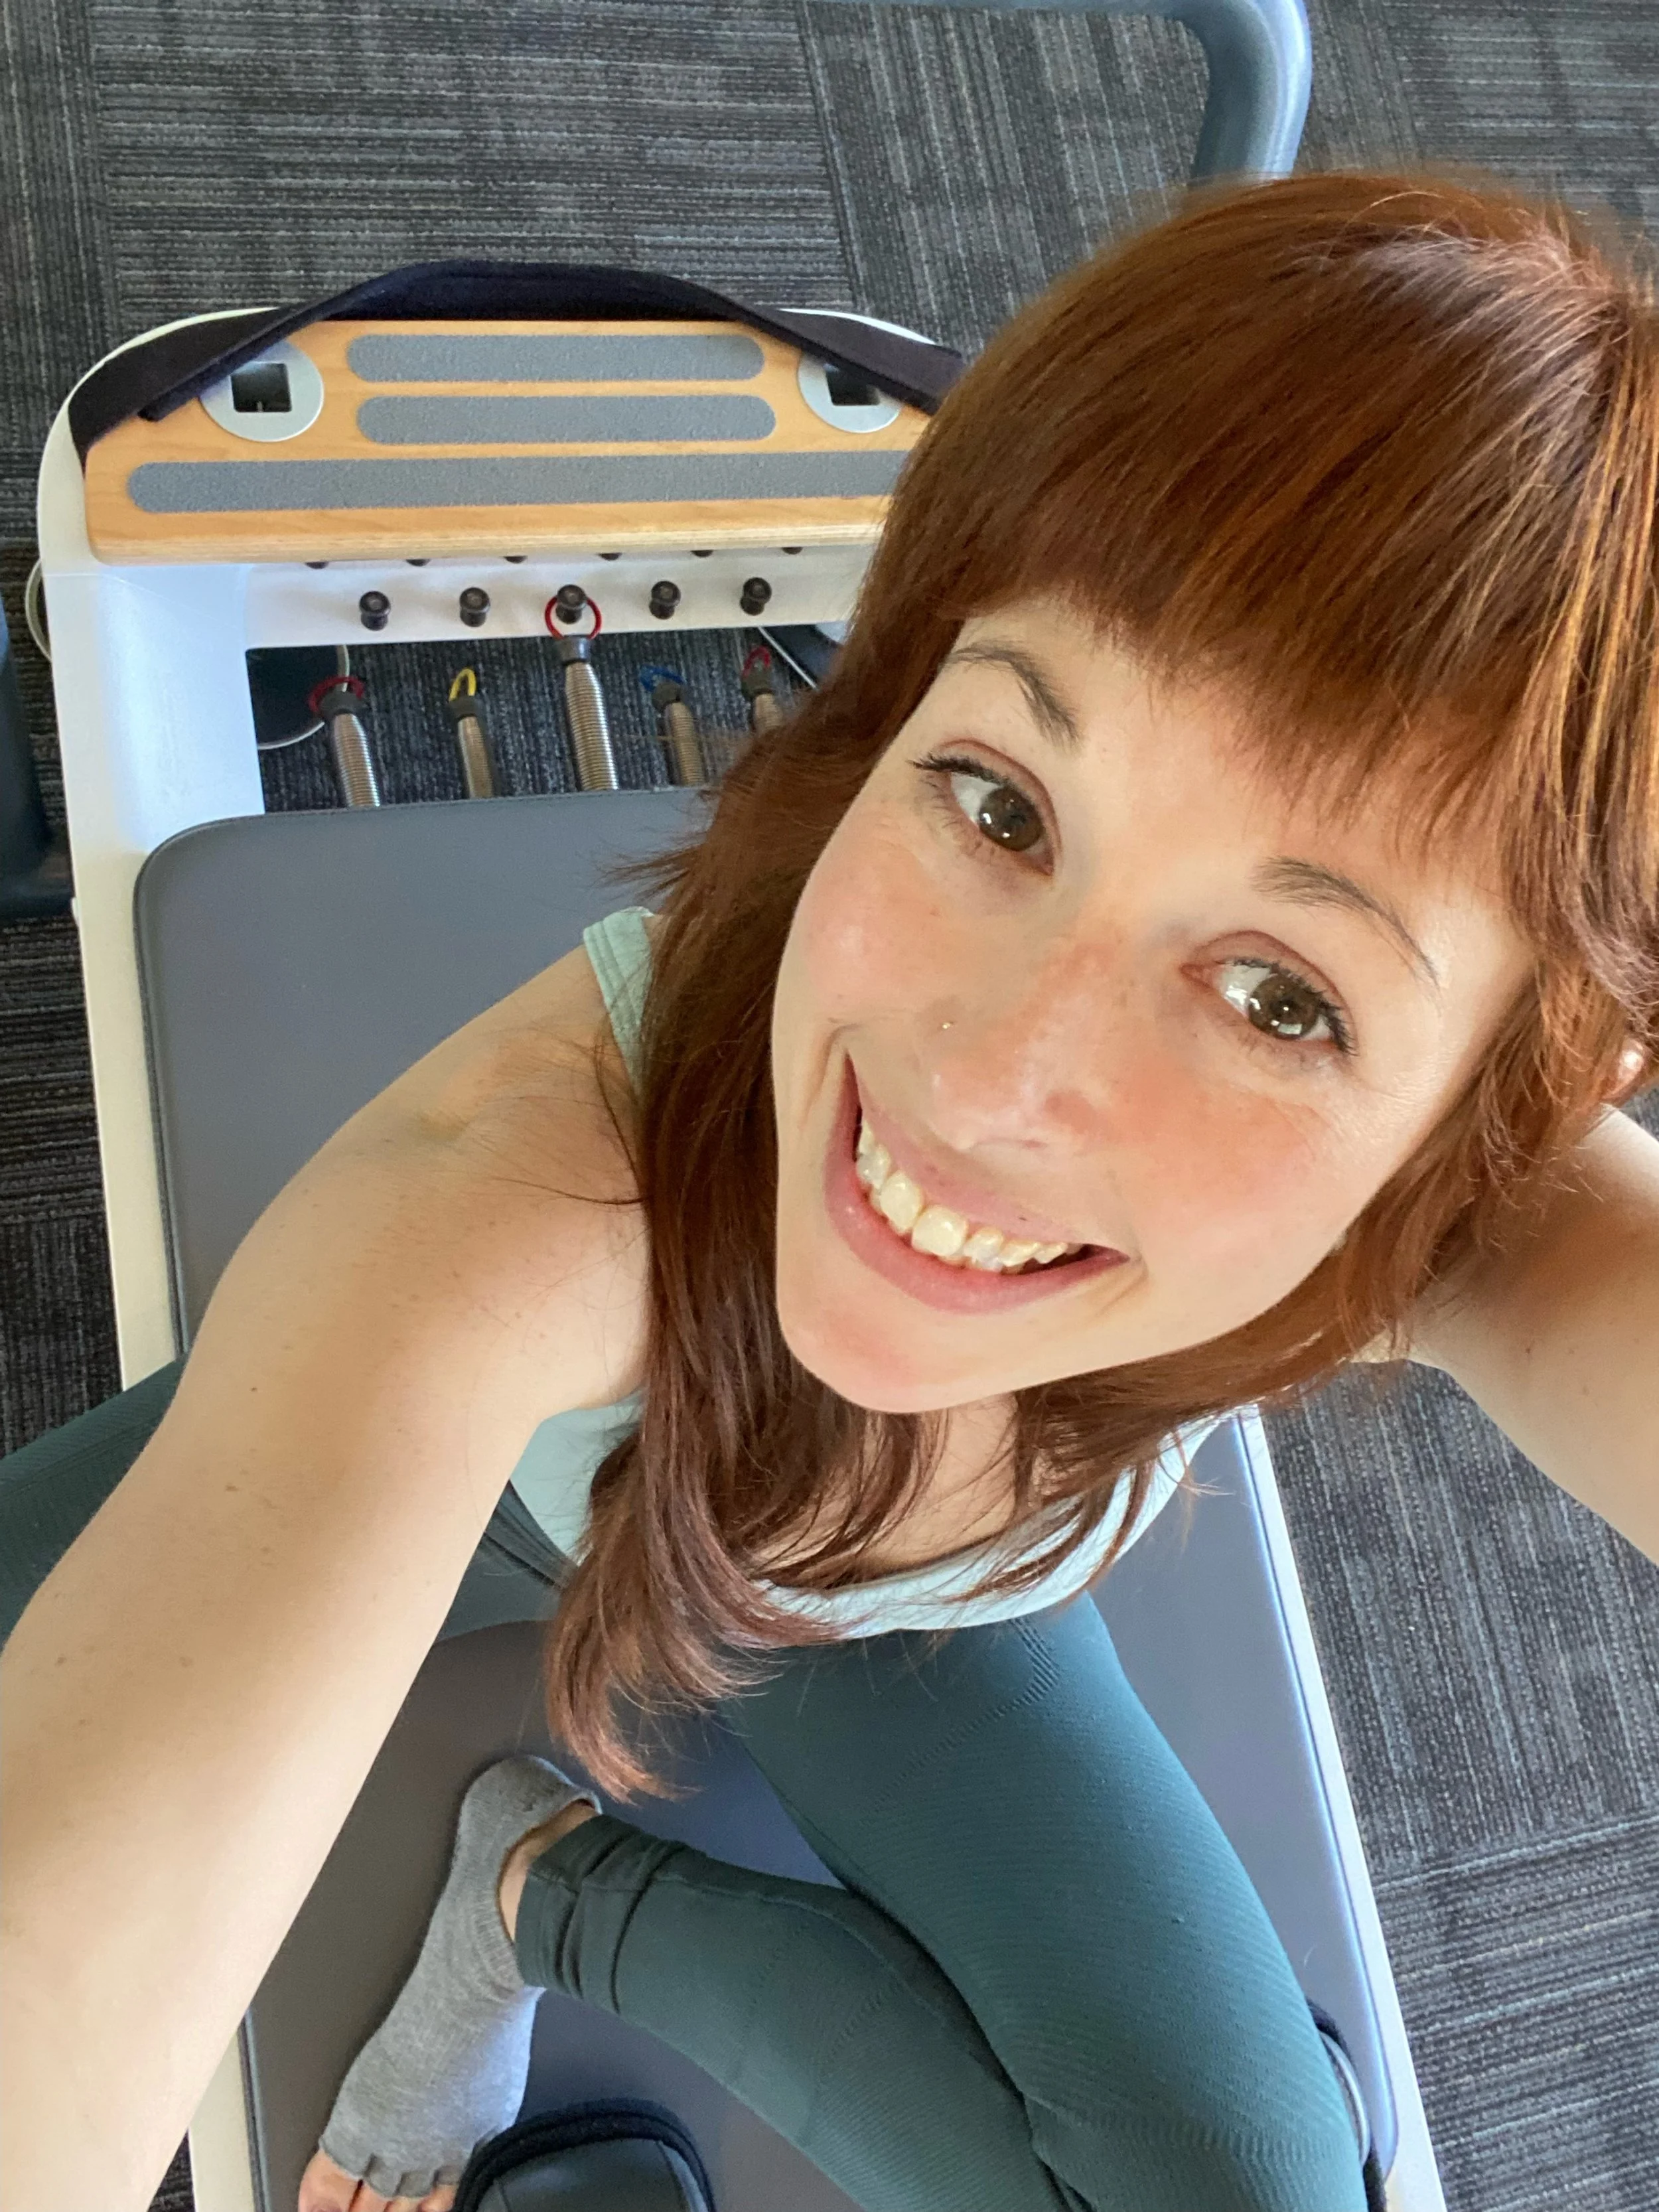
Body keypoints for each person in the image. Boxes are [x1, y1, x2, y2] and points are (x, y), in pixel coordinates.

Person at [7, 165, 1659, 2212]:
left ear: (1496, 1108)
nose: (985, 1085)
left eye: (1273, 993)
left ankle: (541, 1897)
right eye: (1001, 797)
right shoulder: (508, 1207)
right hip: (552, 1497)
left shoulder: (1437, 1184)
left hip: (910, 1614)